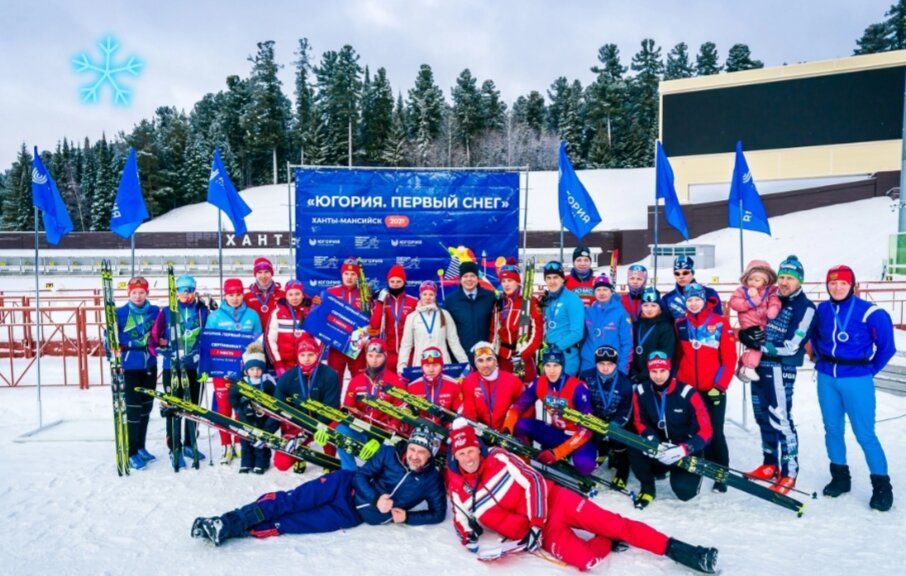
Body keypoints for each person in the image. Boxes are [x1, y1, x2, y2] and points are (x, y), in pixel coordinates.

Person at [446, 420, 719, 573]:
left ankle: (684, 552)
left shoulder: (499, 458)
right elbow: (461, 520)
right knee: (587, 562)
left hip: (556, 503)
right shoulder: (458, 487)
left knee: (617, 523)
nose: (469, 457)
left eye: (471, 450)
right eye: (462, 453)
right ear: (454, 456)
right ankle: (608, 540)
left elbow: (535, 483)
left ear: (478, 448)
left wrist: (535, 524)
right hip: (543, 532)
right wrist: (469, 539)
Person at [191, 426, 446, 546]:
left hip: (349, 515)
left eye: (420, 452)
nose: (413, 455)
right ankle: (226, 521)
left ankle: (230, 530)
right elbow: (360, 475)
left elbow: (437, 513)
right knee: (288, 502)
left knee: (289, 523)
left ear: (430, 455)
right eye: (412, 448)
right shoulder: (390, 453)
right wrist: (377, 497)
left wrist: (408, 517)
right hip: (342, 486)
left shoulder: (431, 480)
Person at [811, 264, 895, 512]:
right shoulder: (823, 309)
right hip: (827, 377)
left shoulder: (871, 313)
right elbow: (815, 337)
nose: (837, 288)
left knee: (865, 434)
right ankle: (840, 477)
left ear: (852, 286)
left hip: (857, 379)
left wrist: (868, 371)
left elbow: (887, 347)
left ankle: (881, 486)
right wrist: (819, 356)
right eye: (833, 283)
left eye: (843, 283)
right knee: (832, 429)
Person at [737, 255, 815, 495]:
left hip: (781, 368)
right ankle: (770, 464)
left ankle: (789, 472)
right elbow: (750, 322)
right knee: (762, 417)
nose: (784, 282)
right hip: (760, 366)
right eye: (781, 276)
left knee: (780, 419)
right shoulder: (771, 297)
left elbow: (793, 346)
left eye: (790, 278)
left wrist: (759, 347)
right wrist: (744, 335)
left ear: (799, 280)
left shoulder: (806, 307)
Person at [628, 352, 713, 509]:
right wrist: (651, 439)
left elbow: (706, 431)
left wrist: (686, 448)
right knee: (634, 443)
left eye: (662, 371)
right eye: (654, 371)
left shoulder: (688, 393)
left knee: (685, 493)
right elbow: (640, 421)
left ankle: (678, 471)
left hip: (684, 450)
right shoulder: (641, 391)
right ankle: (648, 487)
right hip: (660, 447)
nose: (658, 376)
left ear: (670, 370)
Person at [674, 282, 736, 492]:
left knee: (715, 432)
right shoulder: (681, 324)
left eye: (697, 299)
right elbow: (679, 357)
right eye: (689, 300)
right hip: (689, 389)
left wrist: (720, 386)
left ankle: (722, 474)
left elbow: (729, 359)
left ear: (704, 300)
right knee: (693, 430)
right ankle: (696, 467)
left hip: (713, 389)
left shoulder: (719, 323)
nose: (693, 303)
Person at [503, 348, 596, 475]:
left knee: (585, 465)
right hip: (556, 432)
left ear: (562, 366)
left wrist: (557, 453)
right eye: (548, 365)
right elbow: (517, 407)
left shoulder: (578, 387)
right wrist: (507, 427)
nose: (551, 371)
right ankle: (524, 462)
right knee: (520, 424)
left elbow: (586, 429)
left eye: (556, 365)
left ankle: (569, 454)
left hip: (577, 436)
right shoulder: (539, 383)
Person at [152, 274, 210, 465]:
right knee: (173, 406)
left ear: (195, 290)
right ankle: (174, 446)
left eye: (189, 290)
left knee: (192, 405)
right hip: (173, 365)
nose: (185, 294)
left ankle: (189, 442)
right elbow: (155, 336)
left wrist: (205, 362)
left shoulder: (202, 311)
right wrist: (163, 346)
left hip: (194, 365)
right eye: (181, 290)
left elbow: (209, 336)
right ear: (175, 292)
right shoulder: (168, 311)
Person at [204, 278, 263, 464]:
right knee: (223, 408)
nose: (235, 298)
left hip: (244, 370)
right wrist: (206, 367)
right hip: (221, 369)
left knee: (241, 406)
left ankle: (239, 441)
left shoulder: (252, 315)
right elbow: (207, 343)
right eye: (231, 295)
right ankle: (225, 444)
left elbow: (259, 341)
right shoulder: (215, 316)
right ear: (225, 295)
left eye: (238, 294)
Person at [273, 333, 341, 473]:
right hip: (299, 424)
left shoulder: (330, 374)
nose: (307, 359)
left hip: (324, 422)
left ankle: (329, 459)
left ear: (317, 355)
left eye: (311, 354)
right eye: (303, 355)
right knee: (281, 463)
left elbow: (332, 407)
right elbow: (278, 407)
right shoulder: (287, 378)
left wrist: (317, 427)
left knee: (334, 428)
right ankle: (300, 455)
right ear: (297, 356)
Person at [114, 276, 161, 470]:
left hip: (149, 363)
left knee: (146, 408)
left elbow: (162, 331)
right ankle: (131, 451)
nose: (138, 296)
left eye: (142, 292)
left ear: (147, 293)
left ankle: (141, 446)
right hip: (130, 365)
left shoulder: (155, 311)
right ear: (129, 293)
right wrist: (112, 347)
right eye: (134, 292)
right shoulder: (120, 313)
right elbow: (108, 336)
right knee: (132, 409)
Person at [340, 338, 407, 469]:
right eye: (370, 356)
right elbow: (348, 408)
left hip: (385, 435)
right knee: (341, 431)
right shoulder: (356, 381)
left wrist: (383, 437)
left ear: (385, 356)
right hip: (363, 430)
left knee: (382, 469)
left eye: (378, 356)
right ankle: (349, 472)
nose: (374, 360)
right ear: (365, 356)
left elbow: (400, 414)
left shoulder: (396, 381)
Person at [579, 345, 634, 490]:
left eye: (610, 364)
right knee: (590, 437)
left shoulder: (626, 383)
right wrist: (588, 417)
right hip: (595, 417)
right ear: (596, 363)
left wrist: (616, 424)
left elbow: (626, 409)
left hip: (616, 420)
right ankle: (599, 454)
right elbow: (582, 399)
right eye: (601, 364)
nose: (605, 368)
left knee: (618, 441)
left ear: (615, 364)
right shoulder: (586, 376)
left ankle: (622, 472)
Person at [396, 280, 468, 375]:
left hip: (443, 365)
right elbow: (406, 345)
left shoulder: (445, 314)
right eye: (425, 294)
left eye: (431, 294)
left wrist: (465, 363)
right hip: (420, 366)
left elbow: (454, 342)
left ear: (435, 296)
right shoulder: (412, 317)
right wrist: (401, 368)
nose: (428, 297)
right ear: (420, 295)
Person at [728, 259, 782, 383]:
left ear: (766, 280)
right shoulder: (742, 290)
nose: (752, 282)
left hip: (764, 321)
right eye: (750, 279)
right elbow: (733, 302)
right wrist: (750, 302)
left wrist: (773, 309)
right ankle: (749, 367)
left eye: (757, 280)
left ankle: (743, 365)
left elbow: (775, 300)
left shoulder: (771, 291)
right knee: (757, 343)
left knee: (759, 345)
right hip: (749, 321)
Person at [228, 342, 277, 474]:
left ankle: (261, 463)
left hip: (263, 419)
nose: (255, 372)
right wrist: (238, 408)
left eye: (258, 369)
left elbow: (275, 398)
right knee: (245, 441)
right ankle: (246, 463)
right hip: (246, 418)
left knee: (260, 441)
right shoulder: (242, 383)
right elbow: (233, 396)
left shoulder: (267, 382)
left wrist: (269, 409)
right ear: (246, 370)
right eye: (252, 369)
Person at [320, 258, 369, 381]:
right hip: (336, 344)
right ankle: (334, 401)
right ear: (342, 275)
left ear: (357, 276)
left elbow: (370, 320)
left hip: (356, 345)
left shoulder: (364, 294)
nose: (349, 277)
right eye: (346, 273)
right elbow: (322, 316)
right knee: (334, 380)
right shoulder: (331, 292)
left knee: (360, 380)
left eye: (353, 274)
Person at [461, 342, 527, 432]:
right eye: (480, 360)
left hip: (508, 433)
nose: (485, 365)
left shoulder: (512, 380)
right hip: (481, 434)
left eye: (489, 359)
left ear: (495, 361)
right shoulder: (469, 381)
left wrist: (512, 427)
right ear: (475, 364)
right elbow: (469, 413)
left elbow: (526, 408)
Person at [495, 263, 543, 382]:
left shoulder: (530, 301)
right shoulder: (500, 302)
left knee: (524, 393)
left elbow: (538, 334)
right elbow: (494, 330)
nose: (506, 284)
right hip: (503, 357)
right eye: (503, 280)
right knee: (505, 393)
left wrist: (524, 354)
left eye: (510, 280)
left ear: (517, 282)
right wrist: (494, 353)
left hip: (522, 357)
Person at [442, 260, 498, 363]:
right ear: (460, 279)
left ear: (477, 278)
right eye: (465, 276)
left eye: (472, 276)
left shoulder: (490, 297)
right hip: (460, 357)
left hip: (485, 356)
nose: (469, 279)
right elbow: (445, 330)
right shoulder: (450, 301)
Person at [579, 274, 632, 374]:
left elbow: (627, 344)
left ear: (611, 292)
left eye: (605, 289)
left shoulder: (621, 313)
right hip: (589, 364)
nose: (602, 293)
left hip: (610, 365)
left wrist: (622, 369)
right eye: (598, 290)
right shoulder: (588, 312)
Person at [369, 264, 418, 372]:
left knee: (407, 385)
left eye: (398, 281)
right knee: (388, 386)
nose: (395, 285)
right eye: (392, 282)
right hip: (388, 353)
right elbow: (374, 325)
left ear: (404, 282)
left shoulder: (413, 301)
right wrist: (380, 302)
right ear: (388, 283)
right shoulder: (383, 301)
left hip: (408, 353)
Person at [539, 261, 585, 376]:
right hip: (549, 356)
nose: (552, 281)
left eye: (555, 277)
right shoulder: (547, 299)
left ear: (562, 279)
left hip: (566, 356)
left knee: (565, 392)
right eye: (548, 278)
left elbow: (578, 333)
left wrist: (557, 347)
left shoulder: (572, 299)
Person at [265, 279, 313, 377]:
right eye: (290, 294)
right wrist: (277, 364)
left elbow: (319, 340)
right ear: (286, 296)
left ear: (303, 294)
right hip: (284, 365)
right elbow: (270, 340)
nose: (294, 298)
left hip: (307, 364)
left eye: (297, 294)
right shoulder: (277, 312)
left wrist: (313, 362)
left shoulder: (312, 312)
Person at [629, 287, 677, 384]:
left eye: (653, 305)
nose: (649, 309)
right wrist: (633, 372)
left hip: (656, 376)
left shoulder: (666, 327)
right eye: (645, 305)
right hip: (635, 376)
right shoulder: (636, 325)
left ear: (660, 307)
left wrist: (644, 374)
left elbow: (666, 354)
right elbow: (630, 349)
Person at [406, 346, 463, 426]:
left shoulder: (453, 384)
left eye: (435, 365)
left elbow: (460, 412)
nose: (431, 369)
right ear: (422, 367)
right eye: (427, 366)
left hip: (446, 431)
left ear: (442, 365)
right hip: (421, 430)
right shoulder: (412, 386)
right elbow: (408, 413)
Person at [662, 256, 723, 321]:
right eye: (677, 273)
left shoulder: (710, 293)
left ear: (692, 273)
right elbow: (666, 324)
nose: (681, 276)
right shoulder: (667, 298)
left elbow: (719, 319)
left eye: (685, 273)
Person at [244, 257, 285, 333]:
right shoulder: (247, 297)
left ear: (271, 273)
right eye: (259, 272)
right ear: (255, 274)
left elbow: (299, 301)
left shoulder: (283, 295)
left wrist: (312, 301)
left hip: (277, 337)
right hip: (255, 339)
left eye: (266, 272)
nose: (263, 276)